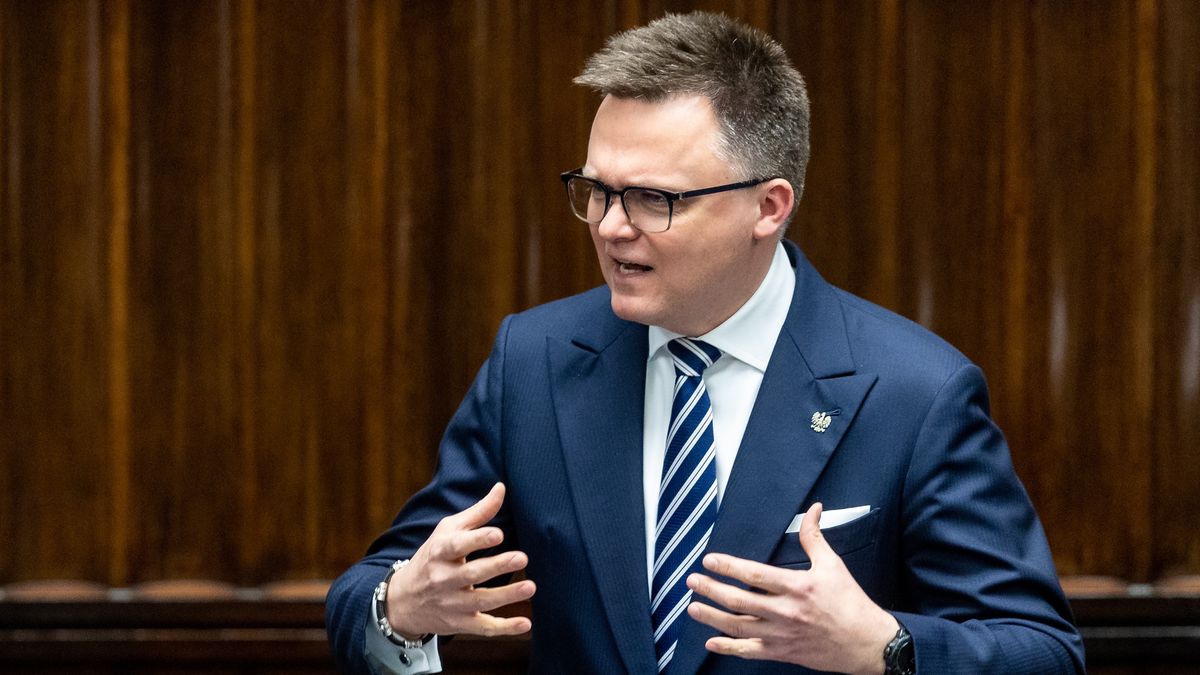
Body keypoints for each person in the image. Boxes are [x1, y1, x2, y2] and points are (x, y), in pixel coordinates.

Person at [326, 11, 1085, 675]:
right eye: (595, 190)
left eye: (654, 197)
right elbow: (367, 595)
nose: (611, 225)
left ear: (769, 205)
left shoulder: (915, 392)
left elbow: (1042, 650)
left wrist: (885, 646)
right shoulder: (536, 359)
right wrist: (403, 604)